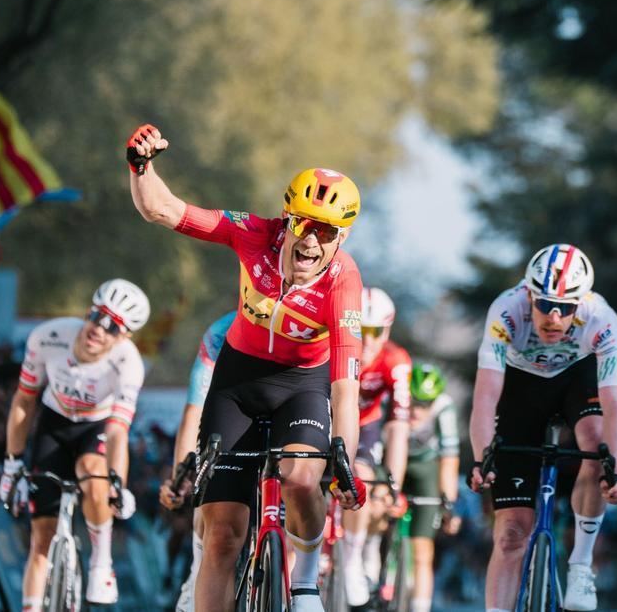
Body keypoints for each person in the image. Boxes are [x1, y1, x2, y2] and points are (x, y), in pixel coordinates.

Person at [126, 124, 366, 612]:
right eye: (304, 225)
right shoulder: (254, 234)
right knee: (221, 537)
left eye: (327, 232)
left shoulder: (344, 282)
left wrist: (344, 455)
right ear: (286, 219)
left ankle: (302, 581)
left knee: (301, 479)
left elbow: (345, 384)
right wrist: (141, 167)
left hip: (302, 384)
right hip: (237, 382)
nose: (312, 242)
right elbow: (162, 209)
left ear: (340, 237)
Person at [468, 243, 617, 612]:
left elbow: (616, 404)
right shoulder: (506, 311)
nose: (554, 317)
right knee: (510, 534)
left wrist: (616, 469)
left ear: (581, 302)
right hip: (521, 386)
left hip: (577, 378)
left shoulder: (602, 318)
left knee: (595, 443)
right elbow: (486, 396)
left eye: (566, 308)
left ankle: (581, 564)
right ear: (529, 295)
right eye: (544, 305)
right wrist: (481, 459)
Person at [0, 279, 149, 610]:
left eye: (112, 326)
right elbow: (24, 401)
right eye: (96, 316)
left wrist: (117, 485)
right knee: (41, 538)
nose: (99, 329)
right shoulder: (49, 337)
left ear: (123, 337)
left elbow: (117, 432)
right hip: (53, 424)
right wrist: (12, 465)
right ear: (88, 312)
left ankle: (101, 561)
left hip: (95, 428)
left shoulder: (129, 364)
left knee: (93, 472)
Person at [158, 310, 236, 612]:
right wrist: (180, 476)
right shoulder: (220, 334)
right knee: (205, 501)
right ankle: (193, 577)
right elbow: (194, 412)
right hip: (223, 426)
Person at [346, 286, 412, 605]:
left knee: (361, 480)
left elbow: (398, 428)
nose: (367, 341)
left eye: (376, 332)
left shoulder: (396, 360)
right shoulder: (333, 349)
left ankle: (353, 556)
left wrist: (394, 484)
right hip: (328, 416)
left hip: (365, 425)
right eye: (360, 331)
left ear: (386, 331)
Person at [401, 363, 461, 612]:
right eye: (413, 402)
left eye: (424, 405)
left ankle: (420, 607)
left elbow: (449, 459)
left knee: (423, 549)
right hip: (394, 460)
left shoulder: (444, 406)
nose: (416, 411)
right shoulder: (393, 397)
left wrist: (449, 505)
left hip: (426, 465)